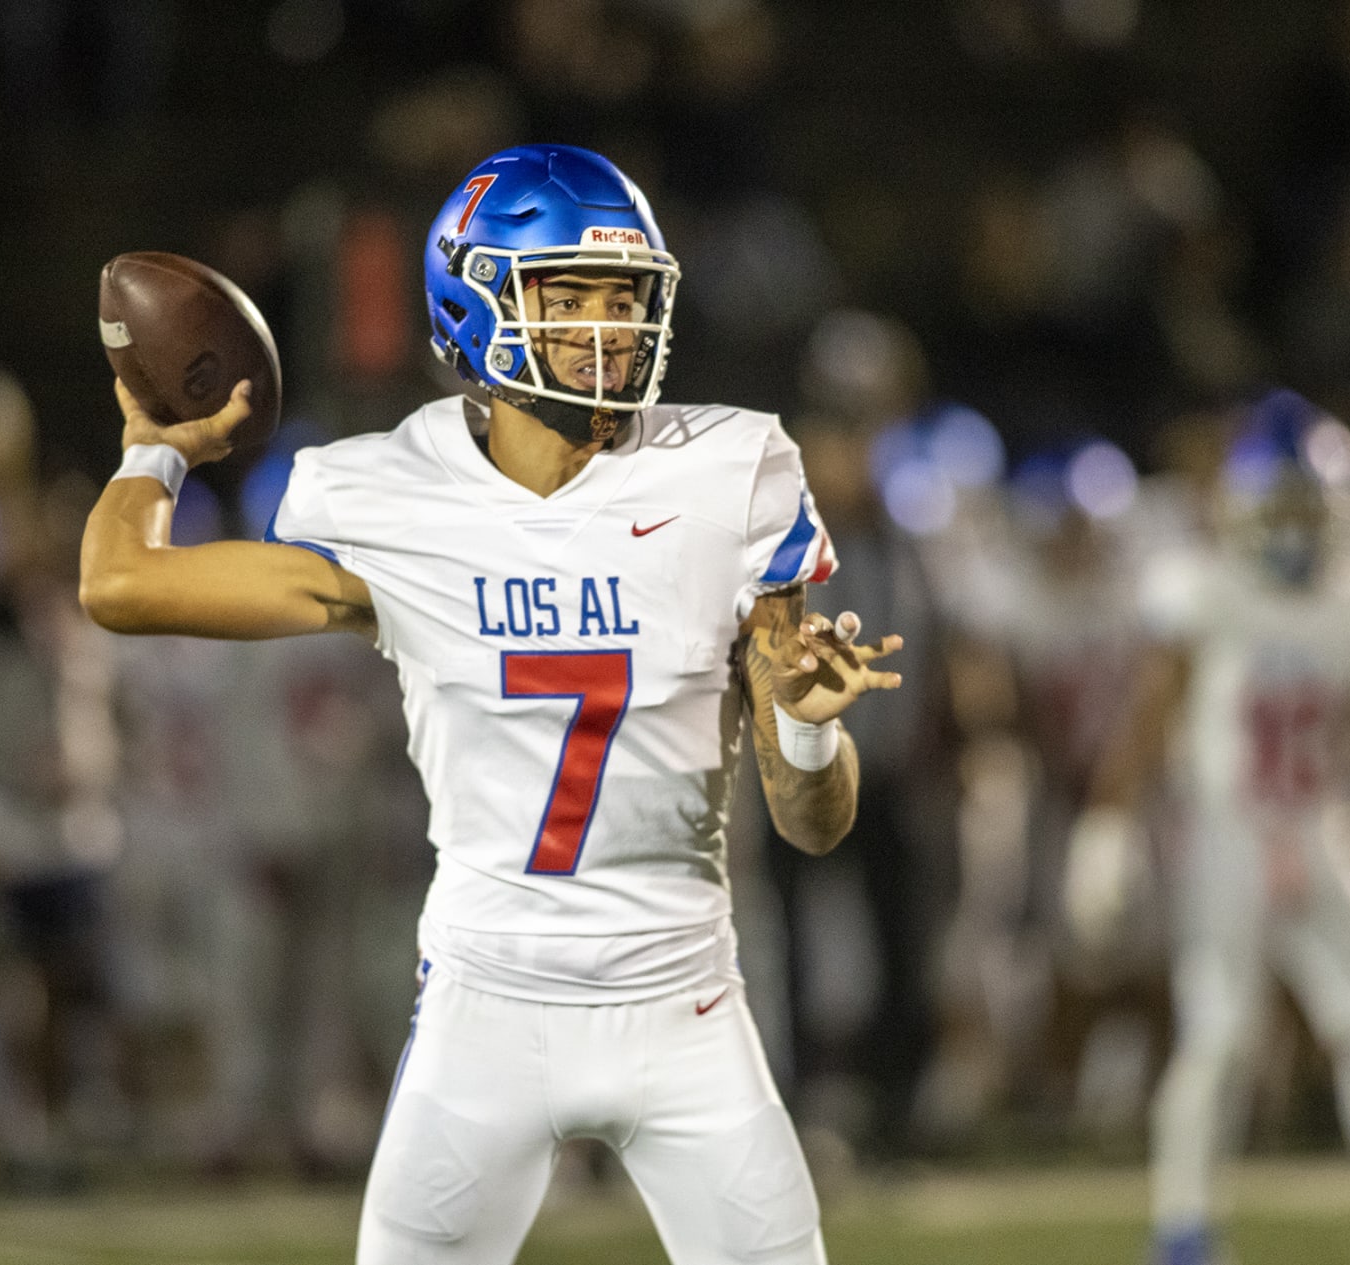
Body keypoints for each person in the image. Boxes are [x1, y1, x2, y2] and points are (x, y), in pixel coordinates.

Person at [79, 143, 902, 1264]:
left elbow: (813, 823)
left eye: (625, 296)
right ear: (473, 302)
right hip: (486, 1007)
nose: (610, 326)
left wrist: (805, 726)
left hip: (685, 1002)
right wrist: (153, 451)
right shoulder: (389, 492)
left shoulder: (731, 469)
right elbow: (120, 585)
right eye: (570, 296)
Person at [1064, 390, 1350, 1265]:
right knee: (1219, 1036)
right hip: (1230, 836)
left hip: (1327, 829)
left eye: (1304, 509)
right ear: (1239, 510)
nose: (1290, 529)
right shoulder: (1203, 592)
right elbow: (1147, 721)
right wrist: (1104, 836)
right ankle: (1184, 1221)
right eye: (1276, 509)